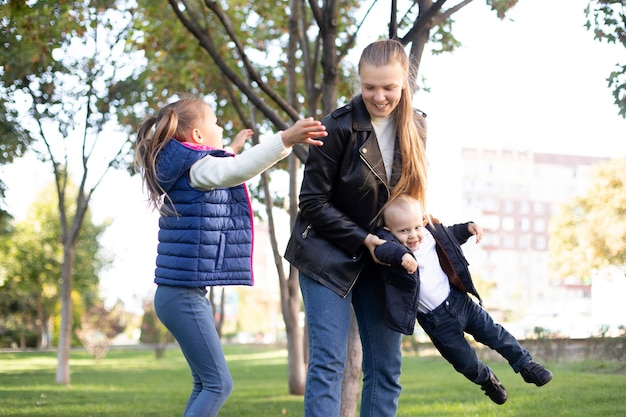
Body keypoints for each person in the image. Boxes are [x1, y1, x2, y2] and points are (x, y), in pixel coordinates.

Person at [134, 96, 327, 417]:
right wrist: (286, 139)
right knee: (218, 385)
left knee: (204, 383)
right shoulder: (195, 167)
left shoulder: (186, 165)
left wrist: (233, 148)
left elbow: (222, 168)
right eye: (215, 122)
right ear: (197, 136)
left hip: (176, 294)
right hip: (182, 296)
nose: (221, 126)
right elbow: (232, 171)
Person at [284, 39, 429, 417]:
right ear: (359, 81)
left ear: (404, 84)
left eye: (389, 88)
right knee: (329, 364)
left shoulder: (417, 126)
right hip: (325, 253)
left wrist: (422, 220)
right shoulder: (334, 127)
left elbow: (407, 194)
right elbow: (312, 203)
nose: (379, 97)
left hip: (380, 257)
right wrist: (364, 239)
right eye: (369, 87)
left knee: (386, 368)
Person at [374, 194, 554, 406]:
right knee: (464, 361)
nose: (413, 236)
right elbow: (382, 249)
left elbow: (451, 235)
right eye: (403, 231)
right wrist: (401, 256)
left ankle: (527, 365)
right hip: (437, 322)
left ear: (423, 223)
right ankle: (487, 380)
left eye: (416, 228)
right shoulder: (391, 245)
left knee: (495, 334)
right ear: (389, 231)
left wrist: (468, 228)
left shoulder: (431, 235)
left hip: (461, 302)